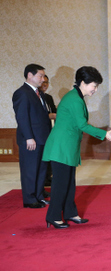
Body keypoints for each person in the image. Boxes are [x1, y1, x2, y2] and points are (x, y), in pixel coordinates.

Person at [42, 66, 111, 229]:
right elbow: (82, 125)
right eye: (94, 86)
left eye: (97, 86)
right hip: (61, 147)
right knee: (60, 184)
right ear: (83, 82)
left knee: (69, 183)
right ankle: (53, 216)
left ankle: (70, 213)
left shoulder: (76, 97)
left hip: (68, 147)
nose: (95, 90)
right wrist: (105, 134)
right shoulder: (74, 99)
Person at [12, 64, 52, 209]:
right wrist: (29, 137)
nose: (43, 79)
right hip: (30, 140)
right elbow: (22, 117)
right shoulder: (22, 93)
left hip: (42, 138)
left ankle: (39, 196)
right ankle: (29, 199)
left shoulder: (39, 93)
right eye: (40, 76)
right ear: (30, 75)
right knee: (30, 169)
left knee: (41, 169)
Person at [39, 75, 57, 195]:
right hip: (39, 133)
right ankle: (42, 180)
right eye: (43, 82)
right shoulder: (33, 97)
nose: (45, 84)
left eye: (47, 82)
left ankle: (48, 177)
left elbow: (54, 113)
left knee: (50, 154)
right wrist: (49, 116)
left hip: (50, 131)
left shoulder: (48, 97)